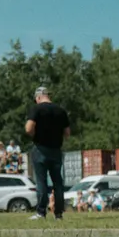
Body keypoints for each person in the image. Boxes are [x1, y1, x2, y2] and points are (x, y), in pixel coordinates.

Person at [25, 86, 72, 221]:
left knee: (41, 182)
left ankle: (41, 212)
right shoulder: (61, 111)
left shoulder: (36, 109)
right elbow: (67, 133)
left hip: (40, 148)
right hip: (56, 150)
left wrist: (35, 135)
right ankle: (58, 214)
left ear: (38, 97)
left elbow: (28, 128)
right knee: (58, 182)